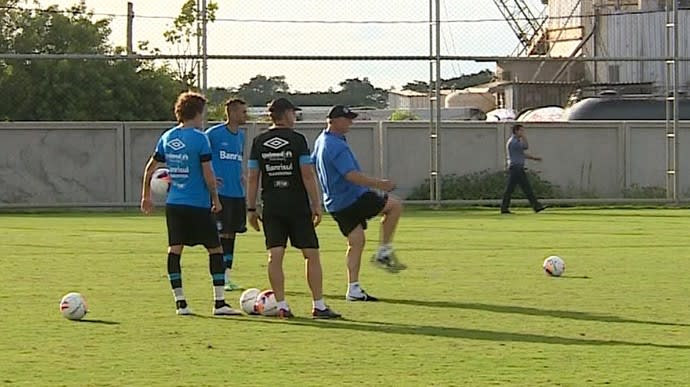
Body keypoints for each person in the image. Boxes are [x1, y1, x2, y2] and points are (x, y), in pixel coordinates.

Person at [140, 91, 241, 316]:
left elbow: (150, 168)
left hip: (174, 204)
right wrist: (215, 198)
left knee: (175, 250)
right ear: (197, 113)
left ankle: (181, 303)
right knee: (215, 249)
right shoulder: (200, 138)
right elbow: (207, 172)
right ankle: (219, 303)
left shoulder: (167, 137)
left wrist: (146, 195)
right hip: (197, 205)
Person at [246, 97, 341, 319]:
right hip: (297, 205)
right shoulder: (297, 140)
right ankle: (318, 305)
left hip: (272, 205)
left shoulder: (259, 141)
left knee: (275, 255)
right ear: (285, 114)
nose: (295, 117)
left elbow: (252, 177)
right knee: (311, 254)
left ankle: (281, 306)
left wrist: (251, 208)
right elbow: (307, 173)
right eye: (293, 113)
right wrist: (316, 204)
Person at [312, 105, 406, 302]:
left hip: (335, 203)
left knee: (356, 241)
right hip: (352, 197)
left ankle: (353, 289)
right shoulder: (335, 145)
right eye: (347, 119)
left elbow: (312, 164)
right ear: (334, 120)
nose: (351, 122)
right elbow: (351, 175)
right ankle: (384, 252)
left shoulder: (321, 141)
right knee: (394, 206)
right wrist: (381, 184)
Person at [205, 98, 249, 291]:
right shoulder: (213, 134)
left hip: (237, 193)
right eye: (242, 112)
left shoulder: (240, 136)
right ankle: (219, 276)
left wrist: (241, 176)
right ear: (231, 113)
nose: (245, 115)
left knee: (231, 234)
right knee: (220, 235)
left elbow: (235, 160)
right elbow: (201, 157)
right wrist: (210, 178)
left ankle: (227, 275)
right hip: (220, 194)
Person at [500, 124, 547, 214]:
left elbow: (522, 153)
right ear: (516, 131)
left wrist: (534, 158)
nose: (522, 132)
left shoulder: (516, 141)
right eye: (521, 131)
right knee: (515, 189)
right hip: (516, 168)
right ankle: (536, 206)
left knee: (523, 188)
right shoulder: (514, 142)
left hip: (517, 168)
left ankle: (536, 206)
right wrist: (524, 137)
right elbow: (525, 147)